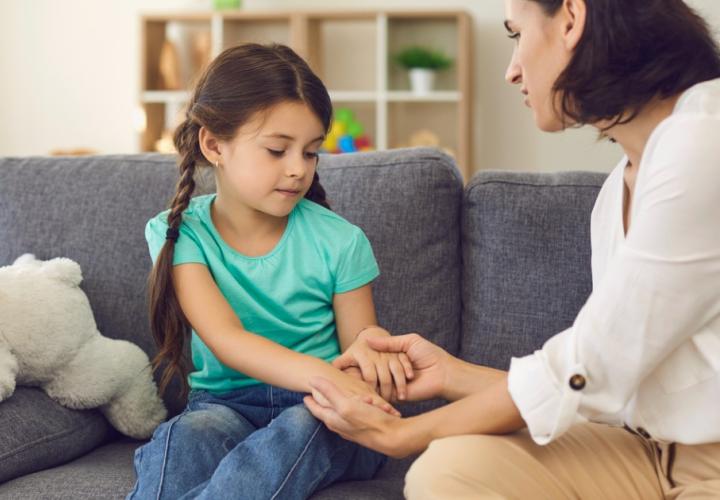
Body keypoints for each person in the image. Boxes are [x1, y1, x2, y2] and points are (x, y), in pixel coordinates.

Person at [304, 0, 720, 498]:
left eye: (516, 34)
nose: (512, 70)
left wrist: (400, 434)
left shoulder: (702, 142)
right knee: (450, 469)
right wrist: (451, 375)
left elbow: (588, 367)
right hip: (647, 453)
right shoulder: (617, 192)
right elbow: (601, 391)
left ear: (571, 18)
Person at [127, 43, 414, 500]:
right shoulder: (179, 234)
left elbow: (360, 343)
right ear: (213, 144)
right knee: (186, 437)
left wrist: (371, 357)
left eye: (311, 152)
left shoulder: (341, 240)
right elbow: (227, 340)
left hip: (320, 408)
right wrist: (326, 376)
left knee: (308, 423)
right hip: (225, 405)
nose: (298, 169)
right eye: (277, 150)